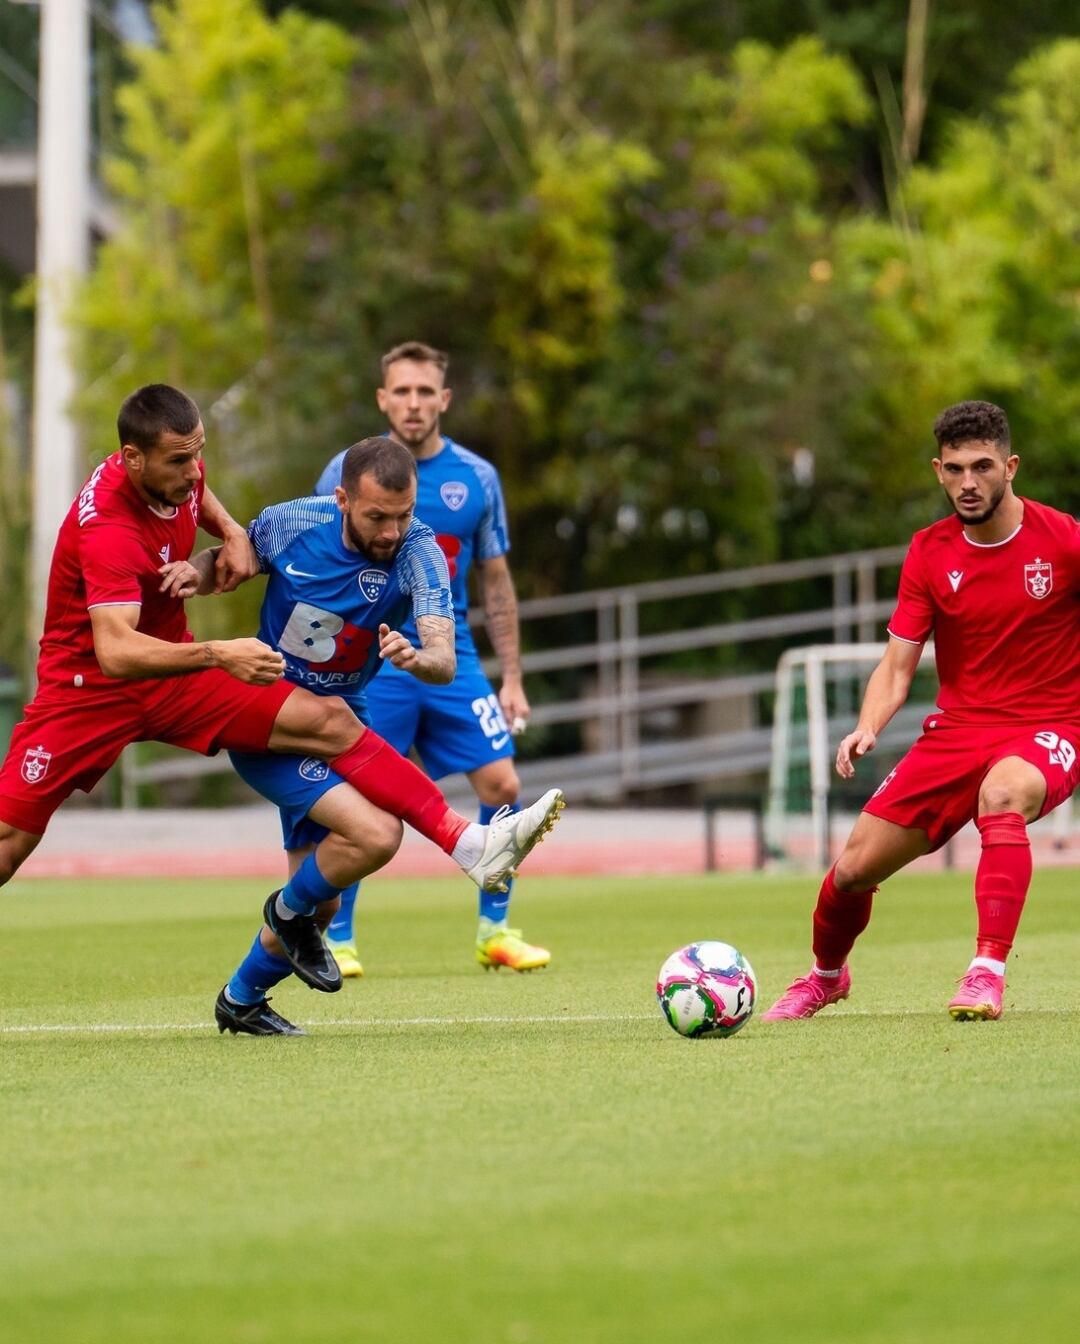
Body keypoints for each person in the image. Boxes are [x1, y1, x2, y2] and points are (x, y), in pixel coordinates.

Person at [0, 385, 565, 1036]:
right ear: (132, 459)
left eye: (198, 456)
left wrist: (230, 529)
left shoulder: (178, 467)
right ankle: (442, 858)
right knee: (11, 846)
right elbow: (117, 653)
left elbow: (205, 504)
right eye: (181, 462)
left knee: (358, 812)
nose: (195, 473)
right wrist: (220, 650)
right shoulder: (109, 527)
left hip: (179, 671)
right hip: (90, 689)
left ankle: (460, 850)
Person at [763, 400, 1079, 1023]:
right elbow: (897, 665)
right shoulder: (930, 552)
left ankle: (986, 972)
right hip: (957, 732)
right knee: (852, 870)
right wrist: (867, 726)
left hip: (1050, 726)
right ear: (939, 471)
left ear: (1010, 467)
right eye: (955, 469)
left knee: (1003, 795)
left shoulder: (1064, 541)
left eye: (982, 467)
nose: (968, 483)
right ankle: (826, 977)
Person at [217, 434, 469, 1033]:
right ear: (342, 499)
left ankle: (241, 999)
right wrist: (193, 573)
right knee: (376, 835)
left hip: (342, 723)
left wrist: (417, 657)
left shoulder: (419, 551)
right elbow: (232, 560)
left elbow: (444, 659)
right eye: (377, 516)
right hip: (270, 720)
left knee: (324, 899)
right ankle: (287, 914)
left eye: (403, 514)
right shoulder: (291, 523)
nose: (392, 531)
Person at [313, 341, 545, 976]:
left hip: (453, 658)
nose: (413, 403)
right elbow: (317, 561)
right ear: (382, 399)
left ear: (443, 399)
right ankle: (338, 938)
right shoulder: (343, 470)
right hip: (374, 660)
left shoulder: (478, 478)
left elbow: (496, 579)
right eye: (402, 391)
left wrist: (513, 676)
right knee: (360, 794)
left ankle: (495, 932)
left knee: (503, 785)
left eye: (424, 392)